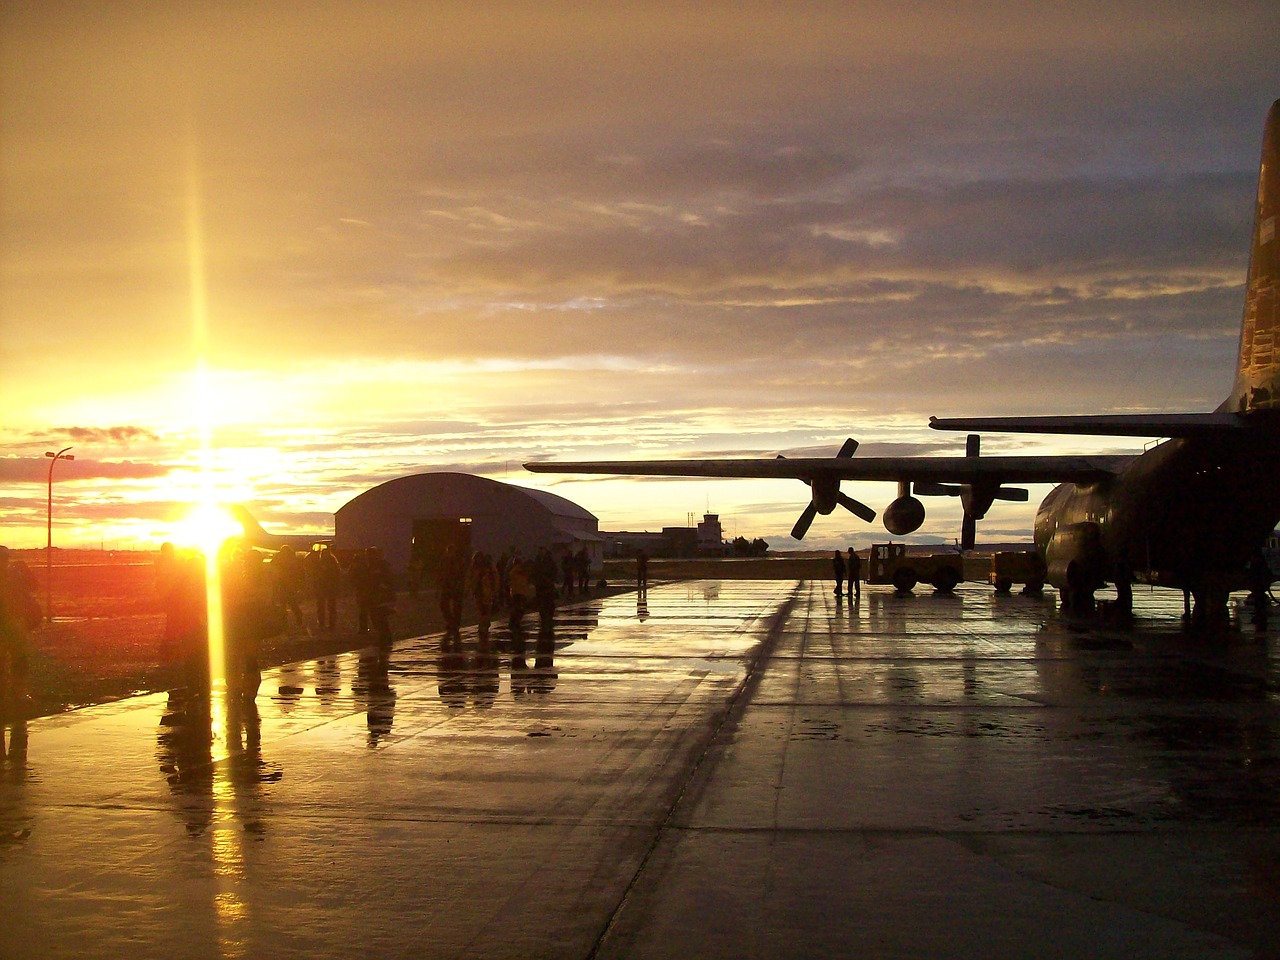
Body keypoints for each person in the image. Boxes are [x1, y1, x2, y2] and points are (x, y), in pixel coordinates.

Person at [365, 547, 395, 645]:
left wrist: (382, 587)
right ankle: (383, 637)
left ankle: (385, 638)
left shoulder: (379, 565)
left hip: (380, 596)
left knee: (380, 618)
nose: (368, 557)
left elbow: (383, 580)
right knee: (377, 618)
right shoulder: (372, 565)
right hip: (375, 596)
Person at [470, 551, 498, 653]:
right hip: (482, 592)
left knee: (484, 611)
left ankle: (483, 626)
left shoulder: (485, 569)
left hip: (485, 592)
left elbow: (474, 580)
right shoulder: (487, 568)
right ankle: (484, 625)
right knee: (483, 610)